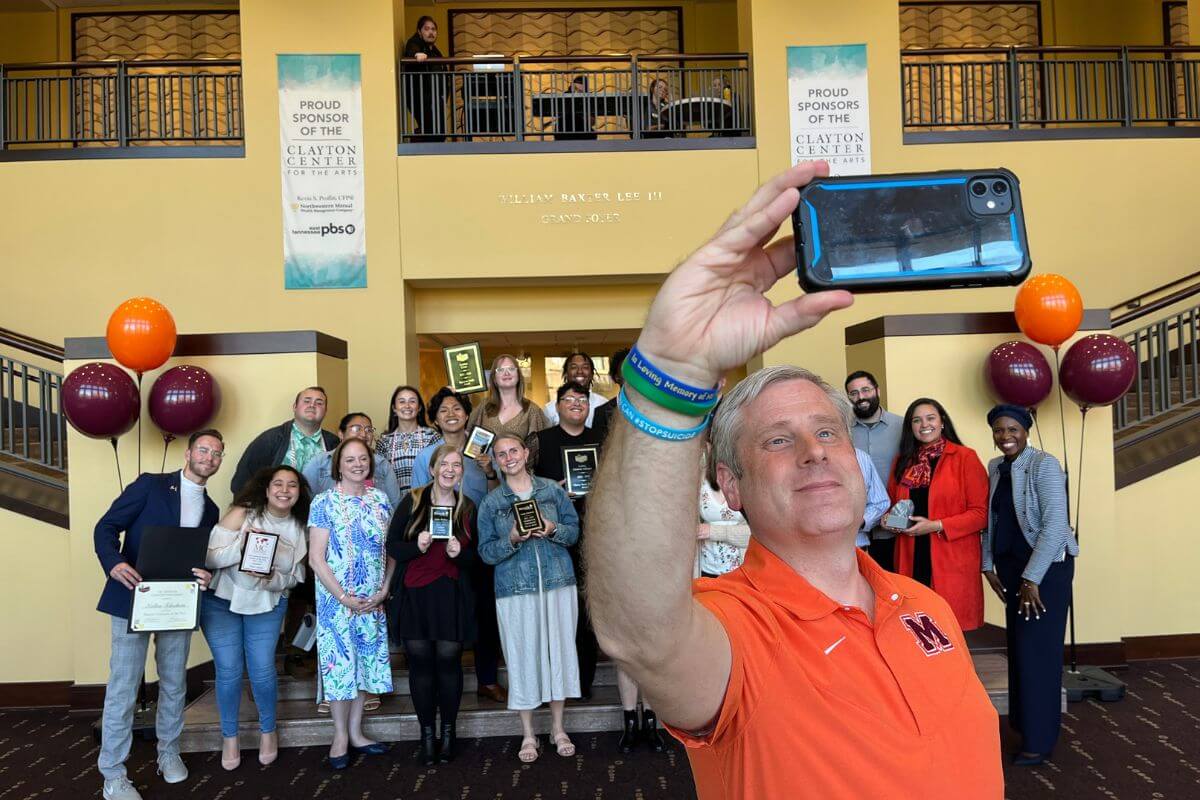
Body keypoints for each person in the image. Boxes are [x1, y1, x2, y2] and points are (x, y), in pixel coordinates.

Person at [583, 160, 1001, 799]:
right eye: (778, 440)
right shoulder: (733, 627)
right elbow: (639, 633)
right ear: (732, 484)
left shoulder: (924, 606)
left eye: (828, 431)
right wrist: (671, 377)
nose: (813, 451)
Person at [94, 430, 223, 800]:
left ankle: (168, 752)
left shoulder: (211, 510)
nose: (209, 457)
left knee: (174, 683)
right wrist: (114, 562)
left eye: (216, 453)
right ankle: (113, 774)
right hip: (132, 597)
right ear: (188, 452)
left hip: (177, 604)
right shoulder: (150, 485)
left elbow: (200, 557)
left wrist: (207, 574)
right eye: (203, 449)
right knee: (123, 687)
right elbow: (105, 527)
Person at [983, 404, 1078, 767]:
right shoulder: (995, 467)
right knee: (1020, 650)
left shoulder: (1045, 465)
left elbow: (1056, 527)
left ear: (1026, 430)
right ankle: (1025, 725)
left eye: (1012, 430)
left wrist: (1031, 579)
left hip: (1045, 573)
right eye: (999, 431)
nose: (1005, 437)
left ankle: (1039, 741)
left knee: (1039, 654)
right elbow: (992, 519)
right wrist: (987, 565)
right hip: (1011, 569)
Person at [478, 434, 582, 763]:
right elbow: (485, 553)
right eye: (501, 454)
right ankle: (527, 733)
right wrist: (510, 539)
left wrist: (552, 528)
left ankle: (558, 727)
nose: (508, 458)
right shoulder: (491, 503)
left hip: (557, 583)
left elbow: (574, 531)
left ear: (525, 453)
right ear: (495, 461)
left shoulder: (551, 490)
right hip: (514, 589)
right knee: (522, 657)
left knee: (559, 654)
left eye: (513, 451)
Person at [202, 466, 310, 771]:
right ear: (266, 489)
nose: (284, 490)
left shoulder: (300, 527)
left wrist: (269, 579)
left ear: (299, 493)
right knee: (229, 671)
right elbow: (209, 557)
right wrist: (242, 546)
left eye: (292, 485)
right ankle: (230, 737)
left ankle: (268, 731)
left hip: (267, 604)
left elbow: (296, 576)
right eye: (278, 484)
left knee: (262, 670)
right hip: (221, 602)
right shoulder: (243, 513)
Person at [412, 386, 507, 704]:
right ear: (435, 420)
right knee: (449, 608)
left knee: (485, 609)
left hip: (480, 537)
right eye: (443, 411)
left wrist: (489, 470)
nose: (451, 414)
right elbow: (417, 500)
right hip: (441, 541)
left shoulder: (486, 448)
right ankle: (444, 679)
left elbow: (500, 494)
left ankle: (488, 678)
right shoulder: (427, 456)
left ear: (467, 414)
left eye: (457, 408)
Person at [307, 438, 395, 769]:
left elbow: (390, 552)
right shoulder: (323, 502)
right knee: (341, 668)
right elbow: (316, 558)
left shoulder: (381, 500)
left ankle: (357, 733)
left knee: (364, 667)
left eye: (363, 459)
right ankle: (340, 736)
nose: (357, 464)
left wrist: (384, 589)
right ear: (338, 466)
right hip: (336, 602)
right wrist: (343, 597)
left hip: (372, 600)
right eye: (350, 459)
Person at [386, 445, 478, 766]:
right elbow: (392, 546)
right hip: (415, 594)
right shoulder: (412, 500)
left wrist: (459, 554)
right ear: (433, 468)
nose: (450, 469)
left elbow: (476, 559)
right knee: (421, 664)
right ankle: (427, 734)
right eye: (445, 464)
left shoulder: (467, 508)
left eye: (457, 465)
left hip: (451, 594)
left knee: (449, 662)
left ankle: (449, 733)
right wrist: (417, 546)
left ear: (462, 472)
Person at [886, 397, 989, 632]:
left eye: (930, 418)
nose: (924, 424)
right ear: (910, 427)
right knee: (915, 627)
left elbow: (981, 513)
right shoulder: (902, 461)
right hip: (910, 553)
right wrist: (888, 520)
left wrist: (937, 525)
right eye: (917, 420)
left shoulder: (965, 457)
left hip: (950, 555)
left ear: (942, 421)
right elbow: (893, 505)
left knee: (949, 628)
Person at [529, 383, 604, 702]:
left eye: (582, 399)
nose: (576, 404)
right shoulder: (541, 442)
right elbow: (525, 487)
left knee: (586, 615)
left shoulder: (600, 442)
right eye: (569, 399)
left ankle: (582, 682)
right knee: (554, 613)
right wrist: (552, 491)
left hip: (594, 537)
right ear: (556, 406)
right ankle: (553, 683)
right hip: (551, 539)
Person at [846, 370, 903, 571]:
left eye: (865, 390)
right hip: (856, 533)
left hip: (896, 528)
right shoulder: (843, 432)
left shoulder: (902, 426)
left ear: (877, 390)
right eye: (853, 393)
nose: (860, 397)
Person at [230, 386, 338, 493]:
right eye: (306, 401)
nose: (312, 405)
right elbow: (241, 481)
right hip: (277, 509)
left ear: (325, 411)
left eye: (319, 403)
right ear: (294, 407)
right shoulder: (271, 439)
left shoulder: (335, 444)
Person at [303, 411, 402, 507]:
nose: (364, 434)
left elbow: (395, 506)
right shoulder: (319, 463)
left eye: (369, 430)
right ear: (341, 434)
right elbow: (304, 501)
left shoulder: (381, 464)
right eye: (357, 429)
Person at [467, 353, 548, 452]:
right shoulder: (484, 406)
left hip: (518, 467)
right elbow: (465, 432)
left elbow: (542, 448)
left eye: (511, 369)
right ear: (494, 378)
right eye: (500, 370)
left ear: (518, 375)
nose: (506, 373)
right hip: (483, 466)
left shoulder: (532, 410)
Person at [376, 385, 441, 494]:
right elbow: (380, 478)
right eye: (402, 402)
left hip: (427, 501)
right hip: (395, 504)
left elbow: (440, 471)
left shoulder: (432, 436)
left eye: (412, 401)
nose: (407, 406)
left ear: (419, 407)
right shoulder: (384, 442)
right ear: (394, 408)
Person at [401, 16, 448, 142]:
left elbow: (444, 72)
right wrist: (417, 54)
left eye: (433, 29)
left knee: (441, 132)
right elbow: (411, 50)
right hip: (420, 95)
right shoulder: (415, 42)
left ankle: (421, 138)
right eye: (426, 29)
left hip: (436, 97)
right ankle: (419, 141)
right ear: (419, 31)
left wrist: (444, 94)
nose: (431, 32)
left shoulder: (436, 52)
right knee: (430, 129)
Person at [543, 352, 608, 428]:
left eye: (585, 367)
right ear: (566, 373)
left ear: (592, 374)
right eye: (574, 367)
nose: (579, 371)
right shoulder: (550, 409)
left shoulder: (604, 404)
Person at [854, 447, 892, 552]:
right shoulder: (804, 457)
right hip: (812, 555)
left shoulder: (861, 457)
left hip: (858, 550)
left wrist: (860, 521)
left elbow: (880, 502)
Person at [591, 347, 627, 439]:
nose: (632, 375)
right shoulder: (602, 412)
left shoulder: (654, 407)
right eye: (626, 370)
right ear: (616, 377)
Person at [555, 74, 596, 141]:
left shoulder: (588, 98)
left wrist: (585, 114)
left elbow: (592, 121)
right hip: (565, 129)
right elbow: (560, 114)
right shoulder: (565, 96)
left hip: (581, 128)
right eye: (576, 86)